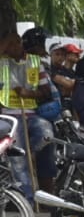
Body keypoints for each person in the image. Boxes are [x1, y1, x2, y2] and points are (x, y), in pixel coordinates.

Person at [1, 28, 56, 197]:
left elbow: (46, 91)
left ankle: (47, 195)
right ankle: (27, 199)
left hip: (31, 115)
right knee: (18, 159)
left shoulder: (34, 61)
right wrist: (6, 41)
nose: (15, 46)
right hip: (9, 116)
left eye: (17, 42)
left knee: (47, 135)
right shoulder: (2, 62)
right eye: (10, 44)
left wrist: (29, 93)